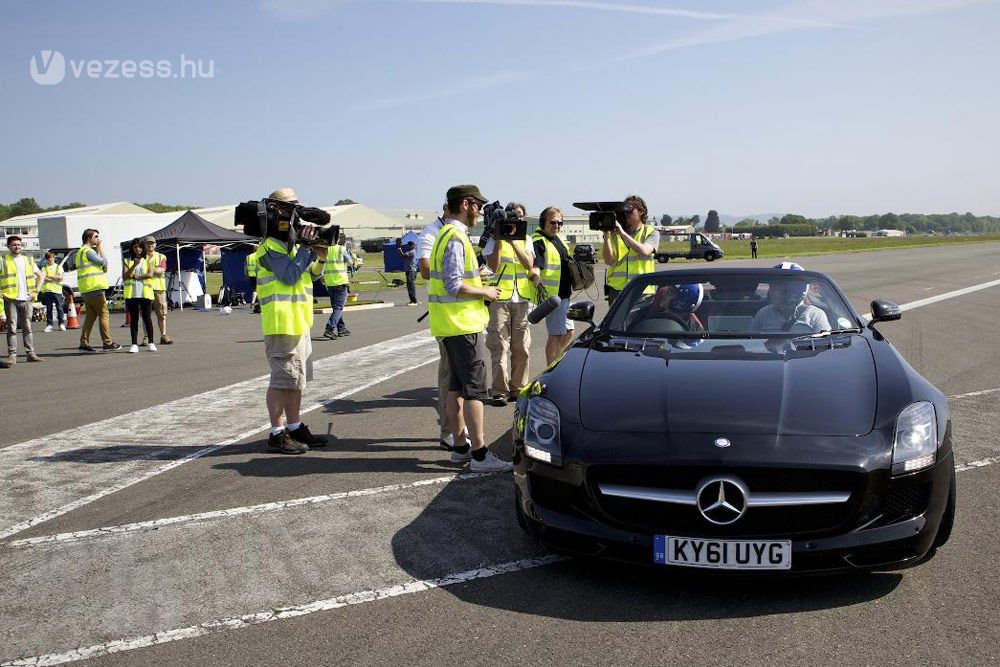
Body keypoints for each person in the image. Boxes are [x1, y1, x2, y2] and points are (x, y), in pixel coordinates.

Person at [428, 184, 512, 473]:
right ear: (465, 204)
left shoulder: (444, 234)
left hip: (450, 325)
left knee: (455, 389)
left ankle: (460, 447)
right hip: (462, 325)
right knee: (475, 391)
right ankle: (480, 454)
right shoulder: (455, 237)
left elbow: (453, 279)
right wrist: (485, 292)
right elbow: (453, 285)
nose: (479, 211)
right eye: (477, 205)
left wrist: (478, 278)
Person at [255, 187, 328, 454]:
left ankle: (295, 426)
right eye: (291, 209)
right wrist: (306, 248)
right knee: (281, 381)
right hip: (281, 325)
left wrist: (321, 255)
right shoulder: (269, 247)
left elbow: (314, 276)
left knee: (296, 380)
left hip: (299, 324)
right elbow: (288, 275)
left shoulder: (293, 246)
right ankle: (277, 432)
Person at [417, 204, 469, 451]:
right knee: (449, 376)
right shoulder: (432, 233)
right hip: (448, 316)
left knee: (458, 378)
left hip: (460, 315)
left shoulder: (455, 232)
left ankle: (456, 429)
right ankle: (449, 432)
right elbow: (425, 270)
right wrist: (454, 275)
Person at [483, 202, 537, 405]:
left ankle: (518, 388)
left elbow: (529, 264)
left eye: (520, 216)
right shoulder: (493, 238)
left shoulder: (527, 239)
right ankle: (500, 390)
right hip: (500, 298)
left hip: (521, 298)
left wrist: (514, 241)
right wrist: (499, 239)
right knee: (499, 345)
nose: (516, 219)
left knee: (521, 346)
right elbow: (493, 267)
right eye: (513, 216)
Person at [532, 207, 575, 366]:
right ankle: (550, 369)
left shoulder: (558, 239)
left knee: (569, 331)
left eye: (559, 223)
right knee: (556, 335)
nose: (557, 226)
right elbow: (536, 264)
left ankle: (556, 361)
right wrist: (536, 276)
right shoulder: (539, 240)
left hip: (565, 294)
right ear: (543, 222)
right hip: (553, 296)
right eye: (553, 222)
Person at [601, 195, 659, 304]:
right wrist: (606, 236)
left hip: (642, 289)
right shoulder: (614, 234)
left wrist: (622, 233)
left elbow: (645, 250)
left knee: (639, 321)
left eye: (629, 210)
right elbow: (609, 261)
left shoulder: (651, 232)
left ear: (641, 212)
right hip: (617, 289)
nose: (626, 214)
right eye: (624, 211)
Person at [749, 262, 831, 333]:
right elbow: (750, 344)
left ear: (794, 291)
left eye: (777, 288)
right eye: (772, 286)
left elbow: (826, 345)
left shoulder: (815, 315)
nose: (771, 292)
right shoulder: (763, 314)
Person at [76, 228, 122, 353]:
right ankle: (107, 342)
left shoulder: (80, 252)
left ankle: (84, 343)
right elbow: (103, 262)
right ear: (89, 237)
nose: (98, 239)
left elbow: (104, 267)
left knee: (91, 316)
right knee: (104, 314)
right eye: (96, 236)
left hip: (86, 289)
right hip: (94, 288)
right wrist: (100, 248)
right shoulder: (88, 251)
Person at [2, 235, 44, 364]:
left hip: (26, 298)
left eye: (19, 245)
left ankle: (30, 353)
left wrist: (36, 291)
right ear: (8, 246)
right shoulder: (3, 260)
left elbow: (41, 275)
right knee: (12, 327)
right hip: (10, 298)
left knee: (27, 326)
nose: (17, 247)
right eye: (14, 245)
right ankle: (12, 355)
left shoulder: (28, 260)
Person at [123, 239, 157, 353]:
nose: (138, 249)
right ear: (132, 248)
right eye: (135, 247)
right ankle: (134, 344)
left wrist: (137, 277)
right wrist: (134, 266)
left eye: (140, 247)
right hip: (132, 294)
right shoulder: (127, 260)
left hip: (145, 293)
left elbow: (150, 274)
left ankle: (151, 342)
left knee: (147, 318)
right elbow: (125, 276)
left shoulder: (148, 260)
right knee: (134, 319)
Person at [322, 233, 353, 339]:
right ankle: (329, 328)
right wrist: (350, 255)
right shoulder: (341, 249)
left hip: (329, 282)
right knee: (339, 307)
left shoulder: (325, 249)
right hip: (340, 281)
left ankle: (342, 329)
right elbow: (350, 262)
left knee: (336, 307)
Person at [142, 236, 172, 345]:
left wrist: (148, 271)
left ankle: (163, 335)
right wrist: (153, 270)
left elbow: (161, 269)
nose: (150, 245)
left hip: (159, 288)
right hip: (145, 288)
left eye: (152, 243)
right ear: (144, 245)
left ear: (155, 245)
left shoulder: (161, 256)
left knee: (162, 313)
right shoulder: (141, 258)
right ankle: (146, 336)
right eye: (148, 243)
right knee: (146, 314)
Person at [38, 251, 66, 332]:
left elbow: (60, 278)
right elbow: (43, 278)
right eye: (49, 258)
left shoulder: (58, 267)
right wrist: (55, 277)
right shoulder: (44, 268)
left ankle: (61, 324)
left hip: (57, 290)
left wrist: (49, 276)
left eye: (52, 257)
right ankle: (49, 325)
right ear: (47, 259)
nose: (51, 259)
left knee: (60, 308)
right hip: (47, 290)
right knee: (49, 308)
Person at [397, 240, 418, 305]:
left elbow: (402, 256)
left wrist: (399, 248)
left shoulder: (412, 252)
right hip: (410, 270)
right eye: (410, 245)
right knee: (411, 285)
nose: (410, 246)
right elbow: (402, 256)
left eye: (411, 245)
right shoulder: (410, 251)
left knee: (410, 286)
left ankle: (413, 300)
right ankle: (413, 300)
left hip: (411, 270)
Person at [245, 243, 259, 311]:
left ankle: (254, 301)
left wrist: (246, 274)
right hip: (258, 274)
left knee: (255, 288)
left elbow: (245, 267)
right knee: (257, 289)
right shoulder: (258, 256)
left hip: (251, 275)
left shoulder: (248, 257)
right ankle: (253, 302)